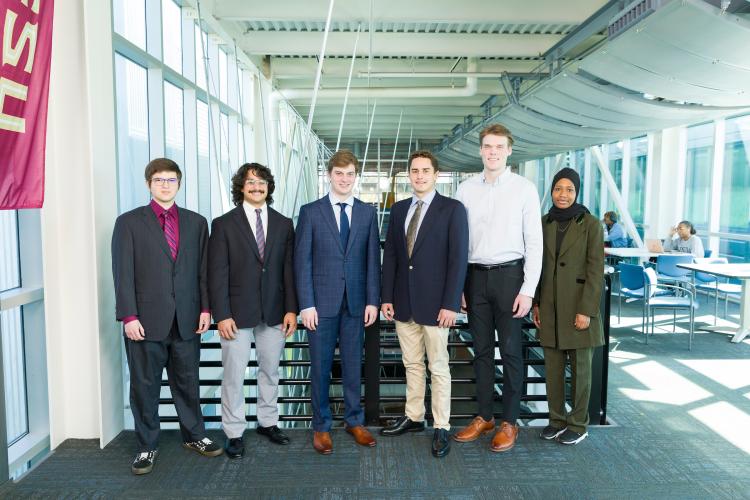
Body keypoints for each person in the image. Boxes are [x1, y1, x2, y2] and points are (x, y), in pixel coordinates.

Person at [112, 158, 222, 475]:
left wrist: (205, 308)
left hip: (187, 319)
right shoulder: (129, 223)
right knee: (145, 386)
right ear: (148, 184)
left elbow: (203, 271)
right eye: (158, 180)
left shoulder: (196, 223)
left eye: (170, 180)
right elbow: (123, 274)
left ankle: (195, 435)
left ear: (179, 183)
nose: (164, 185)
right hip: (144, 321)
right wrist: (128, 316)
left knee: (188, 382)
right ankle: (146, 446)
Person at [453, 124, 543, 452]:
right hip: (475, 278)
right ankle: (484, 416)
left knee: (511, 352)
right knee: (480, 353)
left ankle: (509, 422)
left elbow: (535, 242)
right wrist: (458, 287)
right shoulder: (465, 189)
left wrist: (528, 289)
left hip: (510, 279)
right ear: (480, 150)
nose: (493, 151)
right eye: (488, 146)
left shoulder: (524, 189)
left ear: (508, 151)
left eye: (499, 146)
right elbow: (459, 243)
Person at [380, 150, 469, 458]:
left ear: (436, 174)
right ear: (409, 175)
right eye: (414, 170)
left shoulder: (452, 209)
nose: (419, 175)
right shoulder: (399, 209)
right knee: (412, 365)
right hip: (404, 303)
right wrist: (386, 296)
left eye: (425, 170)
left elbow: (458, 260)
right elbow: (391, 255)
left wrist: (450, 303)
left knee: (439, 366)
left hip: (437, 306)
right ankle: (414, 416)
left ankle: (441, 426)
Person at [208, 163, 298, 458]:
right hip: (235, 314)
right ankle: (234, 432)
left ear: (268, 187)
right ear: (241, 187)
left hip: (274, 311)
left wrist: (291, 310)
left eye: (261, 182)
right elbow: (217, 272)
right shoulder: (223, 224)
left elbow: (288, 270)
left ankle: (268, 422)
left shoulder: (284, 224)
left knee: (270, 370)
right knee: (234, 375)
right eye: (250, 182)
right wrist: (221, 314)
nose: (256, 187)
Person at [294, 149, 381, 454]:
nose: (345, 179)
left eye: (350, 174)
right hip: (320, 305)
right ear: (330, 175)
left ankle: (354, 421)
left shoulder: (368, 213)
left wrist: (373, 300)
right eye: (339, 174)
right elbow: (301, 262)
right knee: (319, 367)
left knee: (353, 365)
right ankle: (321, 426)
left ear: (356, 177)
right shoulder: (310, 212)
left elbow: (373, 261)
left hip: (356, 305)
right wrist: (306, 305)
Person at [532, 168, 604, 446]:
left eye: (569, 190)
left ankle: (578, 423)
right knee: (552, 368)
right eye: (558, 189)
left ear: (577, 192)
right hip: (550, 306)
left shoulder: (590, 223)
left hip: (578, 307)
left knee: (581, 371)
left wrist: (587, 310)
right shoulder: (543, 222)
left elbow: (596, 269)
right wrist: (537, 302)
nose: (563, 195)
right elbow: (537, 267)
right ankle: (556, 420)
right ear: (551, 191)